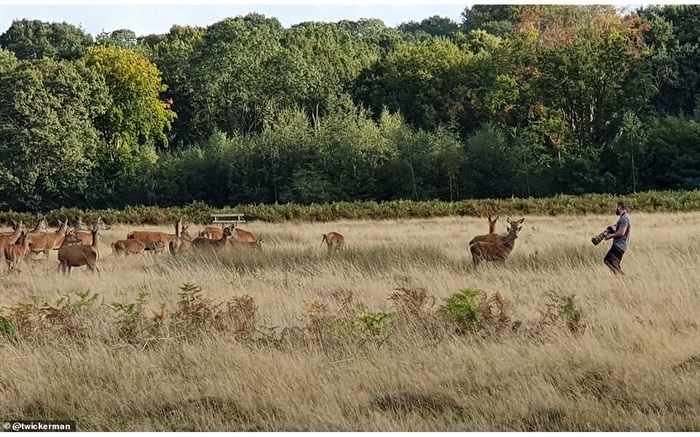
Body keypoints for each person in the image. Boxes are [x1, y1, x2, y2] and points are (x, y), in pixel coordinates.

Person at [604, 201, 631, 275]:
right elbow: (616, 227)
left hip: (619, 245)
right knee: (614, 264)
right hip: (620, 245)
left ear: (619, 207)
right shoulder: (623, 218)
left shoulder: (624, 219)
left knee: (608, 260)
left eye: (617, 207)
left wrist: (610, 236)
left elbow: (622, 232)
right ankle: (620, 279)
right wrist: (608, 230)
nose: (616, 209)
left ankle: (622, 277)